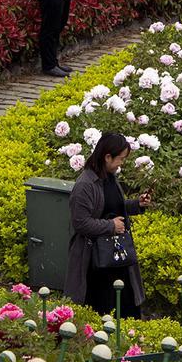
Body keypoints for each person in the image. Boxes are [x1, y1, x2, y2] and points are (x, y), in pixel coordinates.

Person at [67, 130, 148, 319]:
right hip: (95, 263)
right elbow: (81, 223)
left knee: (126, 308)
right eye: (120, 159)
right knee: (102, 311)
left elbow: (114, 207)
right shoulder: (85, 185)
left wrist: (137, 204)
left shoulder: (109, 178)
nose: (122, 163)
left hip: (117, 256)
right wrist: (111, 226)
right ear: (107, 157)